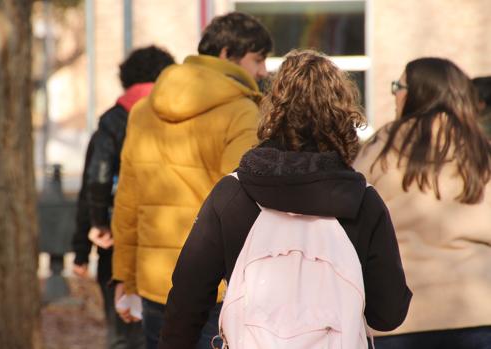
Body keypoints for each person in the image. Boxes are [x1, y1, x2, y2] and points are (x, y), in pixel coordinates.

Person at [157, 49, 411, 348]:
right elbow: (389, 313)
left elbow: (188, 299)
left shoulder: (233, 194)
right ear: (343, 114)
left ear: (273, 108)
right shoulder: (363, 202)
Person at [110, 11, 273, 349]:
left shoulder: (143, 111)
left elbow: (127, 200)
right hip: (215, 288)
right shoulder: (242, 112)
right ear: (227, 53)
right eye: (257, 59)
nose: (263, 71)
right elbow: (242, 208)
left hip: (155, 283)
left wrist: (124, 276)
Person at [354, 58, 491, 348]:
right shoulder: (480, 150)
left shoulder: (383, 147)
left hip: (400, 317)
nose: (395, 94)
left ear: (421, 92)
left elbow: (353, 215)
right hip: (479, 309)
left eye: (399, 86)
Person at [73, 45, 175, 349]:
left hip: (117, 238)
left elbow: (95, 181)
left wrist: (87, 238)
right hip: (167, 233)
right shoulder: (175, 116)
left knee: (122, 326)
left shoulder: (112, 121)